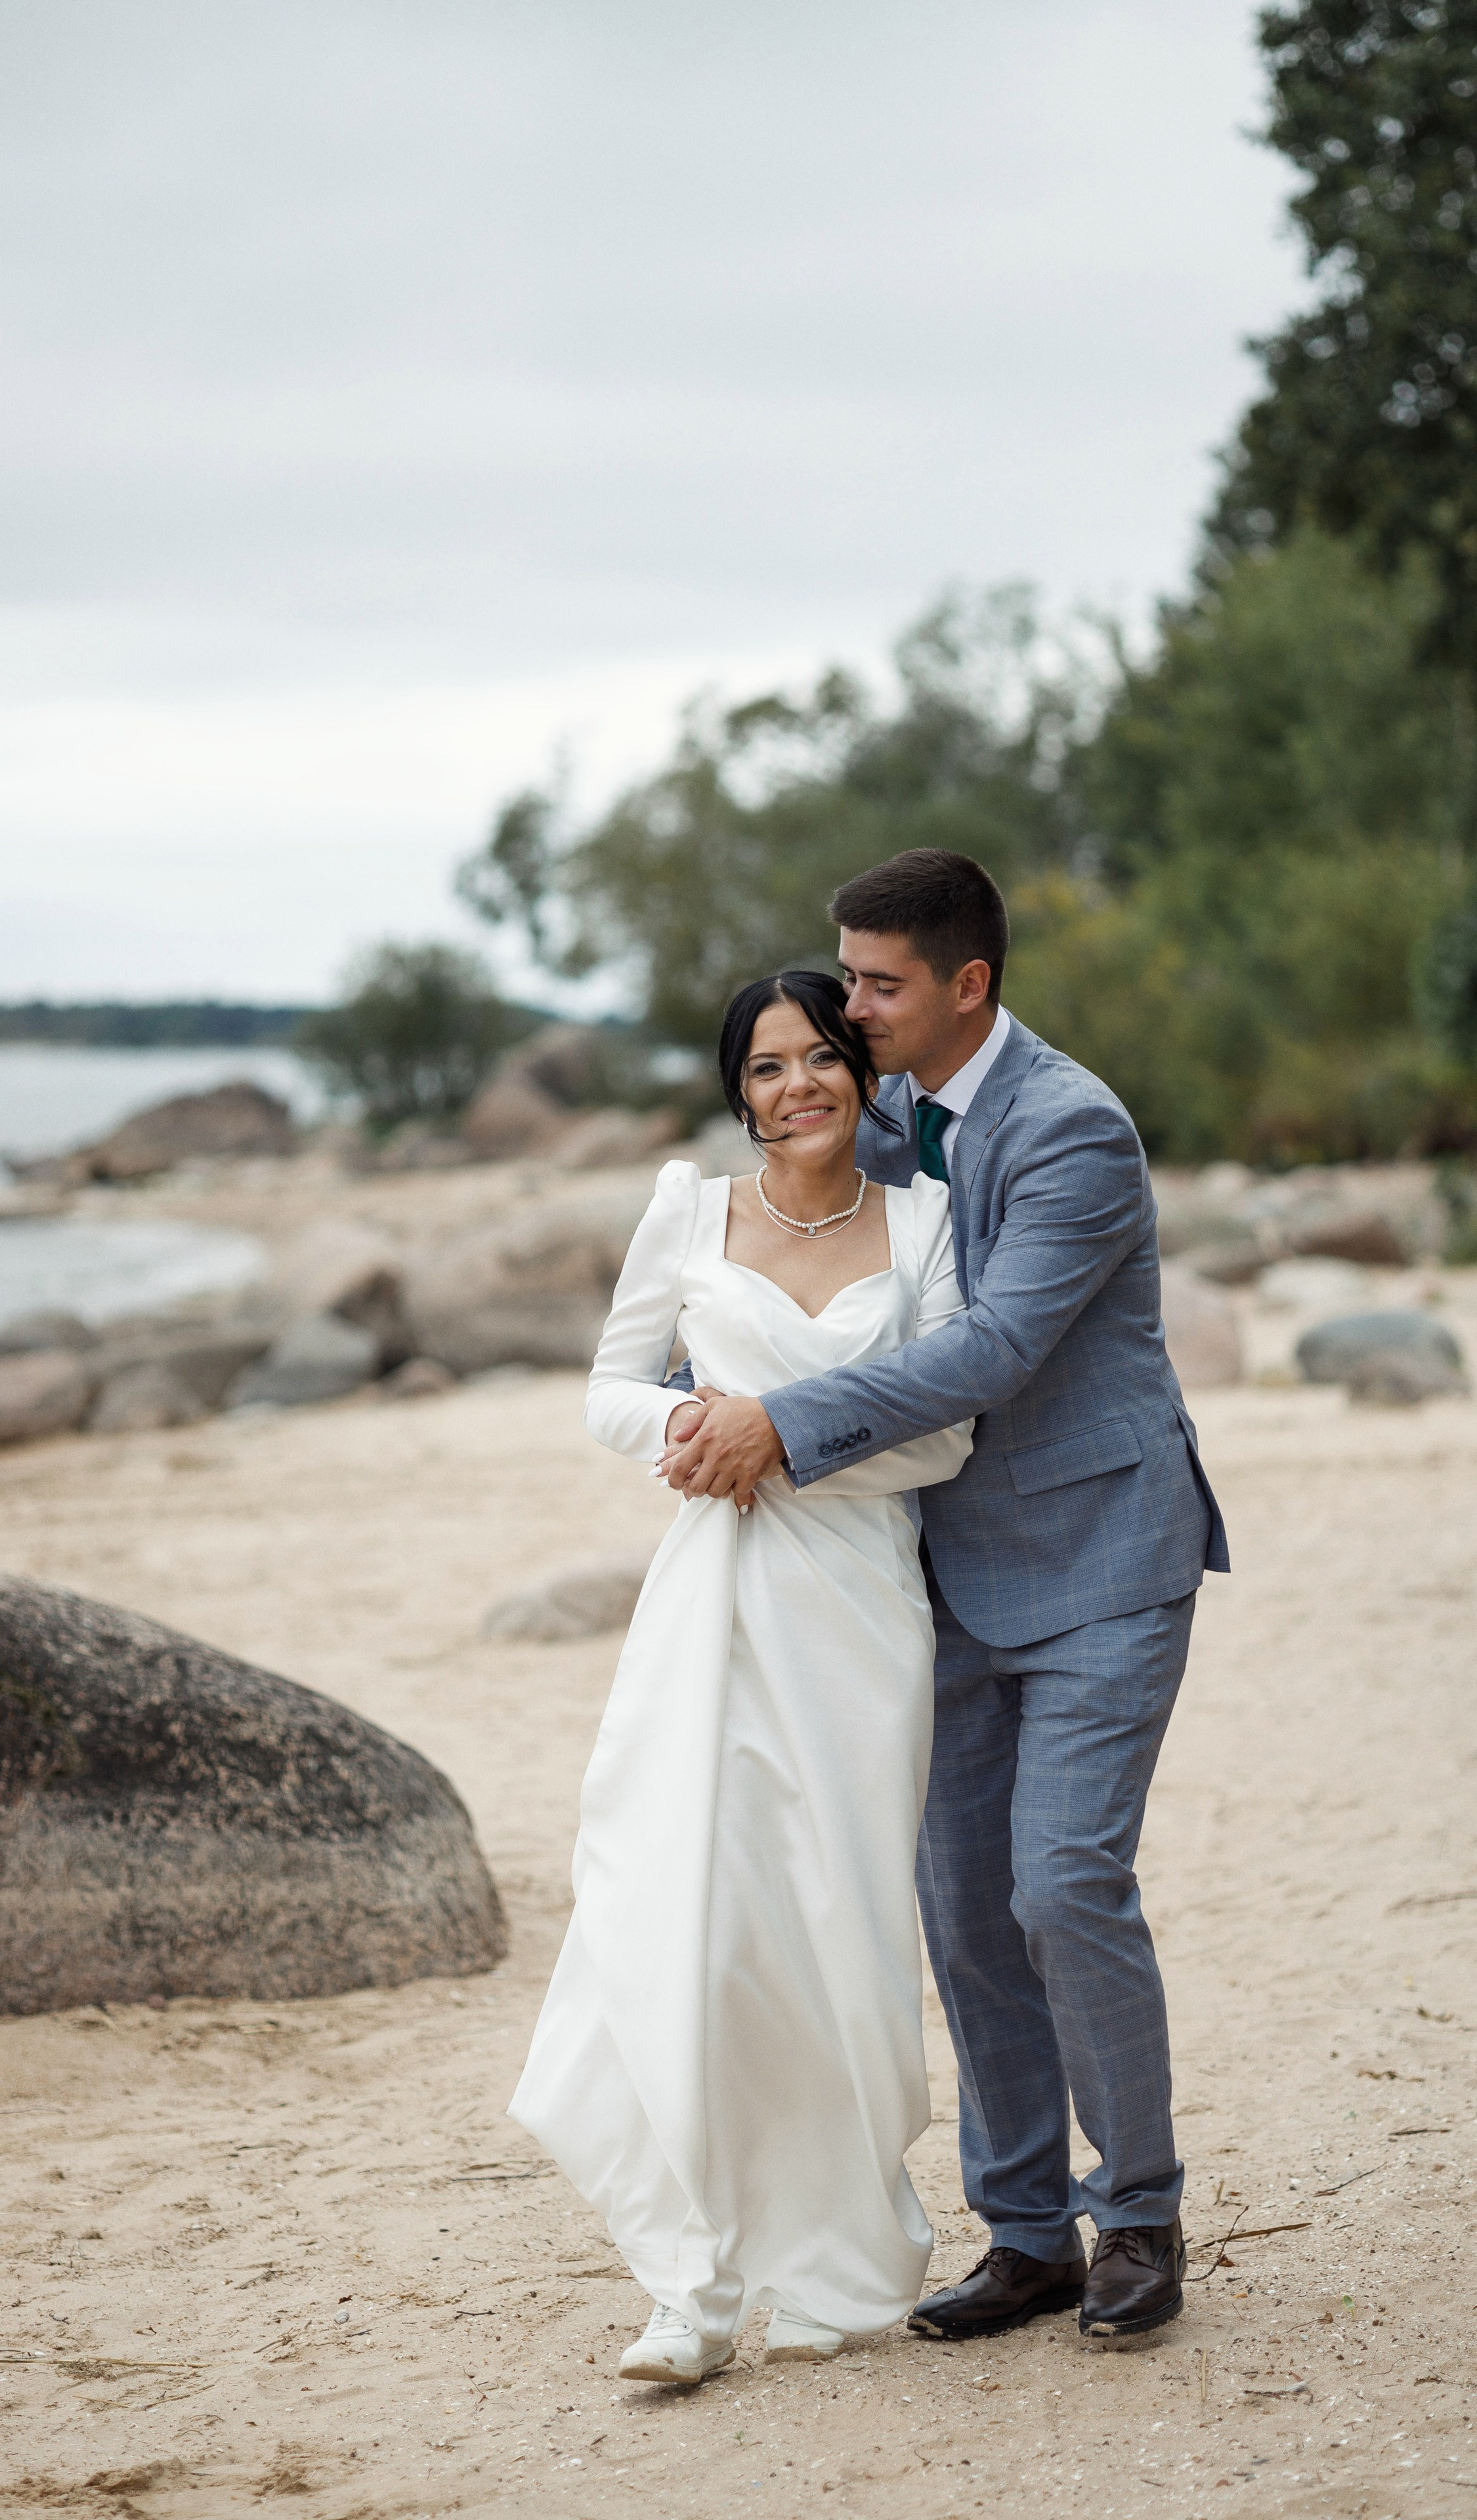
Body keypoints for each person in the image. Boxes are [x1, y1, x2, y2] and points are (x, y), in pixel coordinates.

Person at [658, 848, 1228, 2349]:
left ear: (966, 984)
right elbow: (798, 1246)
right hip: (932, 1578)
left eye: (876, 984)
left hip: (1102, 1556)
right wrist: (706, 1371)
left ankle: (1139, 2217)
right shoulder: (884, 1111)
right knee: (964, 1912)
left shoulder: (1070, 1128)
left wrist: (783, 1428)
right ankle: (1027, 2236)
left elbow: (991, 1350)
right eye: (845, 976)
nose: (847, 1010)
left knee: (1061, 1884)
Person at [509, 969, 974, 2385]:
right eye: (766, 1068)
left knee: (835, 1936)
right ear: (739, 1092)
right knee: (687, 1924)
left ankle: (833, 2265)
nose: (797, 1086)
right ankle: (690, 2285)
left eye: (821, 1056)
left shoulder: (926, 1223)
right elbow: (608, 1388)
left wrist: (782, 1434)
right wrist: (691, 1434)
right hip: (712, 1591)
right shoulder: (687, 1213)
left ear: (863, 1073)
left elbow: (946, 1435)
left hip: (859, 1611)